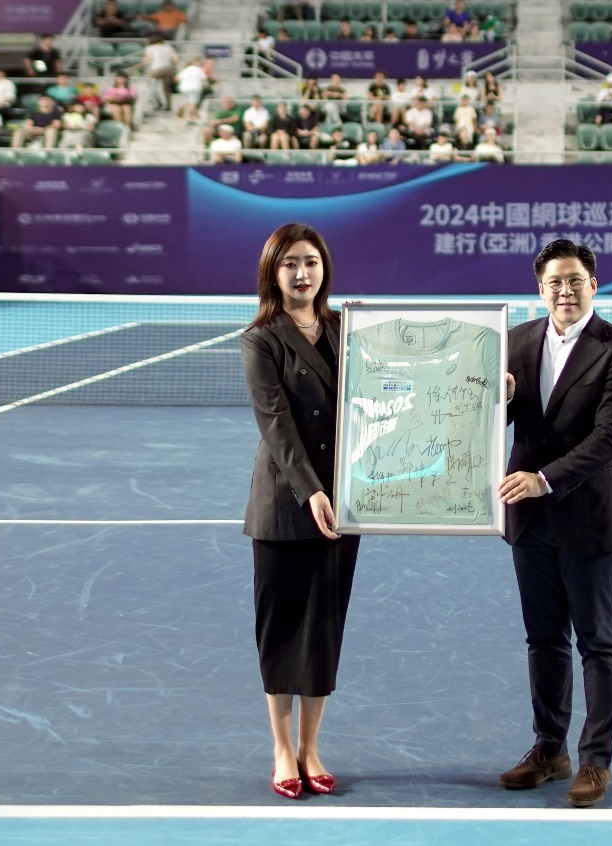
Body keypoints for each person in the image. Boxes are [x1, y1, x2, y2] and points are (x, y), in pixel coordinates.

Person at [496, 239, 612, 810]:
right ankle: (549, 750)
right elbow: (492, 419)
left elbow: (611, 437)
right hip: (528, 519)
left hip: (588, 517)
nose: (565, 290)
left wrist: (544, 478)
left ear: (593, 285)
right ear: (541, 289)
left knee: (597, 642)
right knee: (544, 639)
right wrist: (498, 401)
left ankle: (595, 761)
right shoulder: (515, 342)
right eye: (555, 282)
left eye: (575, 280)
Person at [240, 222, 360, 802]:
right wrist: (311, 490)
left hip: (345, 503)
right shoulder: (261, 340)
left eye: (310, 261)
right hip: (286, 504)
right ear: (273, 272)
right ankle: (282, 748)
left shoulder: (348, 330)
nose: (302, 272)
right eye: (289, 263)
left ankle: (312, 747)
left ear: (324, 269)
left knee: (323, 629)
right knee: (282, 628)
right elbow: (277, 425)